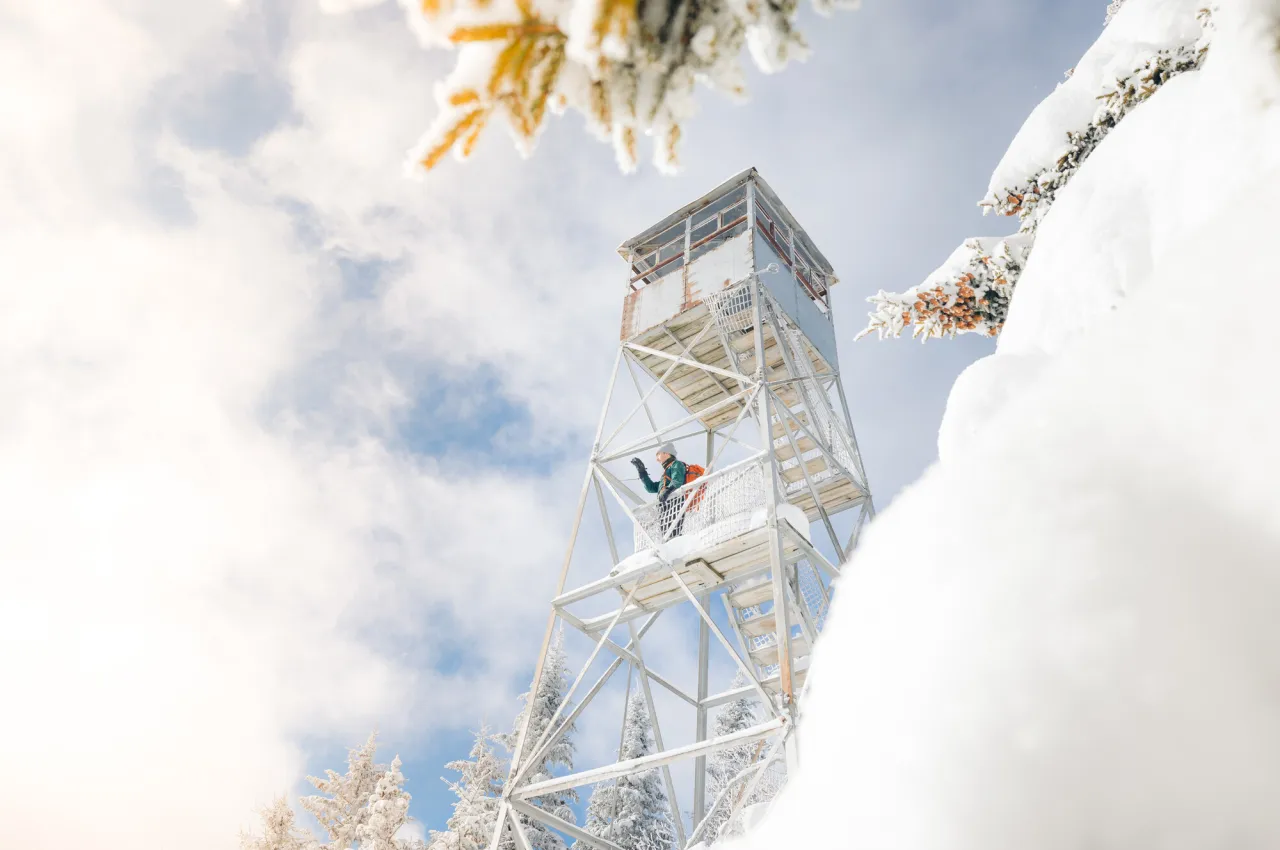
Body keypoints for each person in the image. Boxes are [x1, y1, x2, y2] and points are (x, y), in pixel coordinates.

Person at [631, 443, 687, 540]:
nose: (657, 459)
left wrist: (667, 491)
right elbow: (651, 487)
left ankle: (675, 542)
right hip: (664, 504)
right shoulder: (665, 474)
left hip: (675, 501)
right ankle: (669, 544)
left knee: (673, 529)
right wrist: (642, 472)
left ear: (666, 453)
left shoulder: (676, 464)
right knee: (665, 531)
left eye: (658, 454)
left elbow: (677, 480)